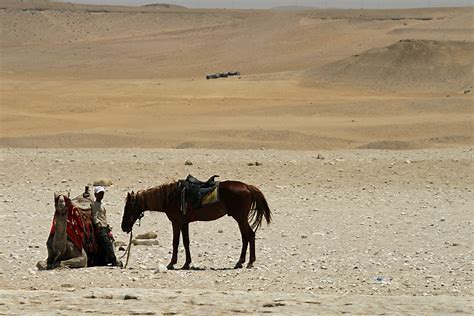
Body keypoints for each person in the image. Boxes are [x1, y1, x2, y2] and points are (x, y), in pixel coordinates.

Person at [92, 186, 121, 267]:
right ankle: (114, 261)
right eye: (99, 194)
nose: (101, 195)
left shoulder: (100, 204)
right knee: (107, 244)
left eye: (102, 193)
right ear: (95, 195)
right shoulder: (95, 205)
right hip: (101, 228)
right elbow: (95, 217)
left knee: (111, 242)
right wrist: (99, 225)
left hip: (104, 226)